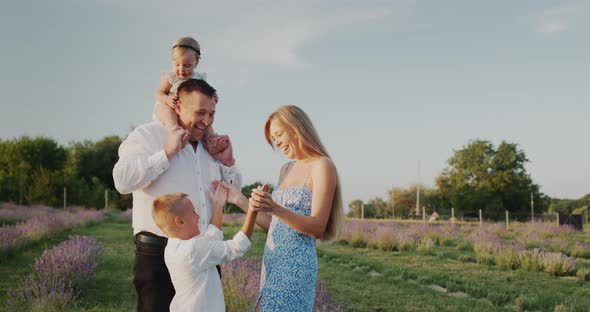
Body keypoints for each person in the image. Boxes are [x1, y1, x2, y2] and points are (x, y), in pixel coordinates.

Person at [113, 78, 242, 312]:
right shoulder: (149, 135)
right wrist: (166, 153)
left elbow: (232, 191)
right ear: (177, 107)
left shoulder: (210, 146)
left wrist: (228, 164)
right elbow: (122, 180)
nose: (206, 121)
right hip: (158, 254)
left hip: (204, 252)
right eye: (200, 112)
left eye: (211, 114)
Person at [248, 105, 343, 312]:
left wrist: (274, 208)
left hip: (296, 265)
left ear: (296, 127)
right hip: (271, 261)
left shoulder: (322, 165)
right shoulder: (286, 169)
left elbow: (317, 226)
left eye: (279, 134)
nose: (277, 143)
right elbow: (274, 224)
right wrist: (242, 200)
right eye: (274, 139)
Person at [152, 187, 257, 312]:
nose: (198, 216)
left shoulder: (173, 247)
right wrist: (252, 210)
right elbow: (237, 247)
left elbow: (211, 237)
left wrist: (218, 205)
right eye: (193, 212)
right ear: (180, 221)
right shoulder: (192, 250)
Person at [154, 36, 227, 155]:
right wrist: (166, 99)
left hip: (191, 113)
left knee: (204, 118)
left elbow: (207, 91)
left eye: (187, 66)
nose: (181, 69)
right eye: (177, 65)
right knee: (166, 110)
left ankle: (212, 140)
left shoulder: (198, 78)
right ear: (172, 62)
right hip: (171, 106)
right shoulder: (171, 77)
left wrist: (213, 96)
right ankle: (174, 130)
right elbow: (159, 93)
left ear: (196, 64)